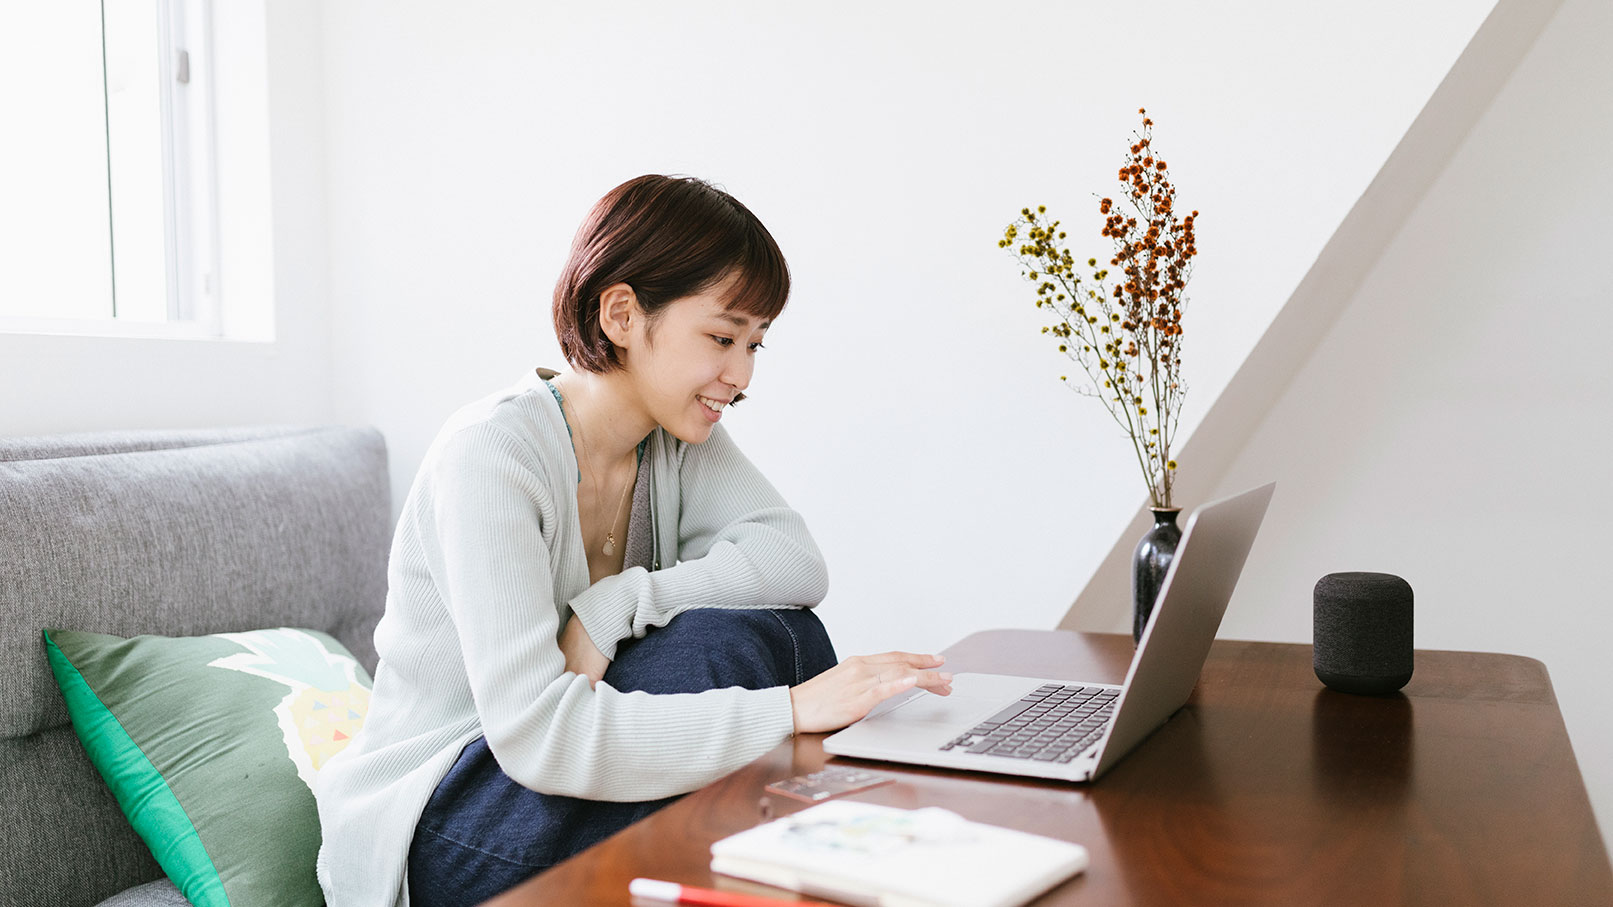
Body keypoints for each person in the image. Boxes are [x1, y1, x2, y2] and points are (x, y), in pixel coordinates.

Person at [315, 174, 953, 907]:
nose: (739, 376)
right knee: (725, 650)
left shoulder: (675, 435)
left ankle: (827, 859)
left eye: (754, 344)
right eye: (721, 337)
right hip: (438, 819)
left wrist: (618, 601)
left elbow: (793, 562)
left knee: (781, 630)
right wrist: (792, 710)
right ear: (620, 312)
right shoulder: (492, 454)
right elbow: (535, 734)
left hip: (539, 786)